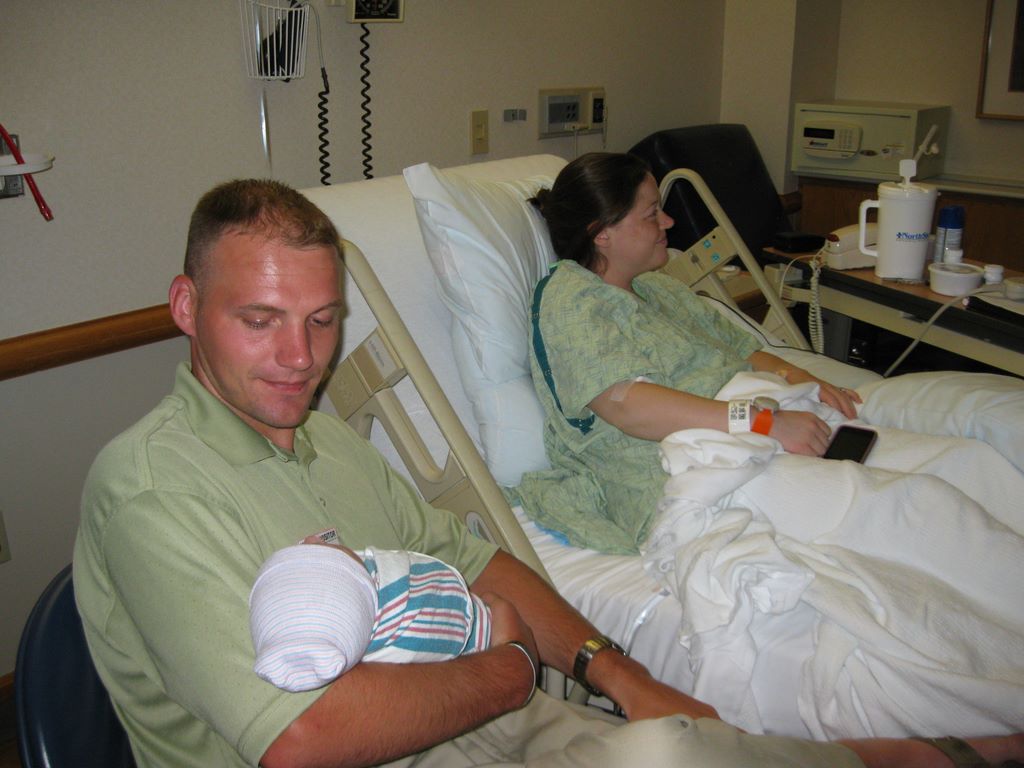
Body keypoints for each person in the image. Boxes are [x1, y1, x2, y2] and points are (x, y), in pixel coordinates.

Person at [72, 177, 1023, 768]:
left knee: (682, 745)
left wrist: (621, 673)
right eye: (260, 320)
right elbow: (302, 739)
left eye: (322, 321)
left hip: (469, 726)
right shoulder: (151, 488)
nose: (299, 357)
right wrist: (510, 668)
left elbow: (477, 559)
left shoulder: (328, 442)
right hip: (419, 730)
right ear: (186, 306)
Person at [249, 535, 492, 692]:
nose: (313, 538)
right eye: (327, 551)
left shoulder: (364, 634)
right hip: (484, 634)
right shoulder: (399, 601)